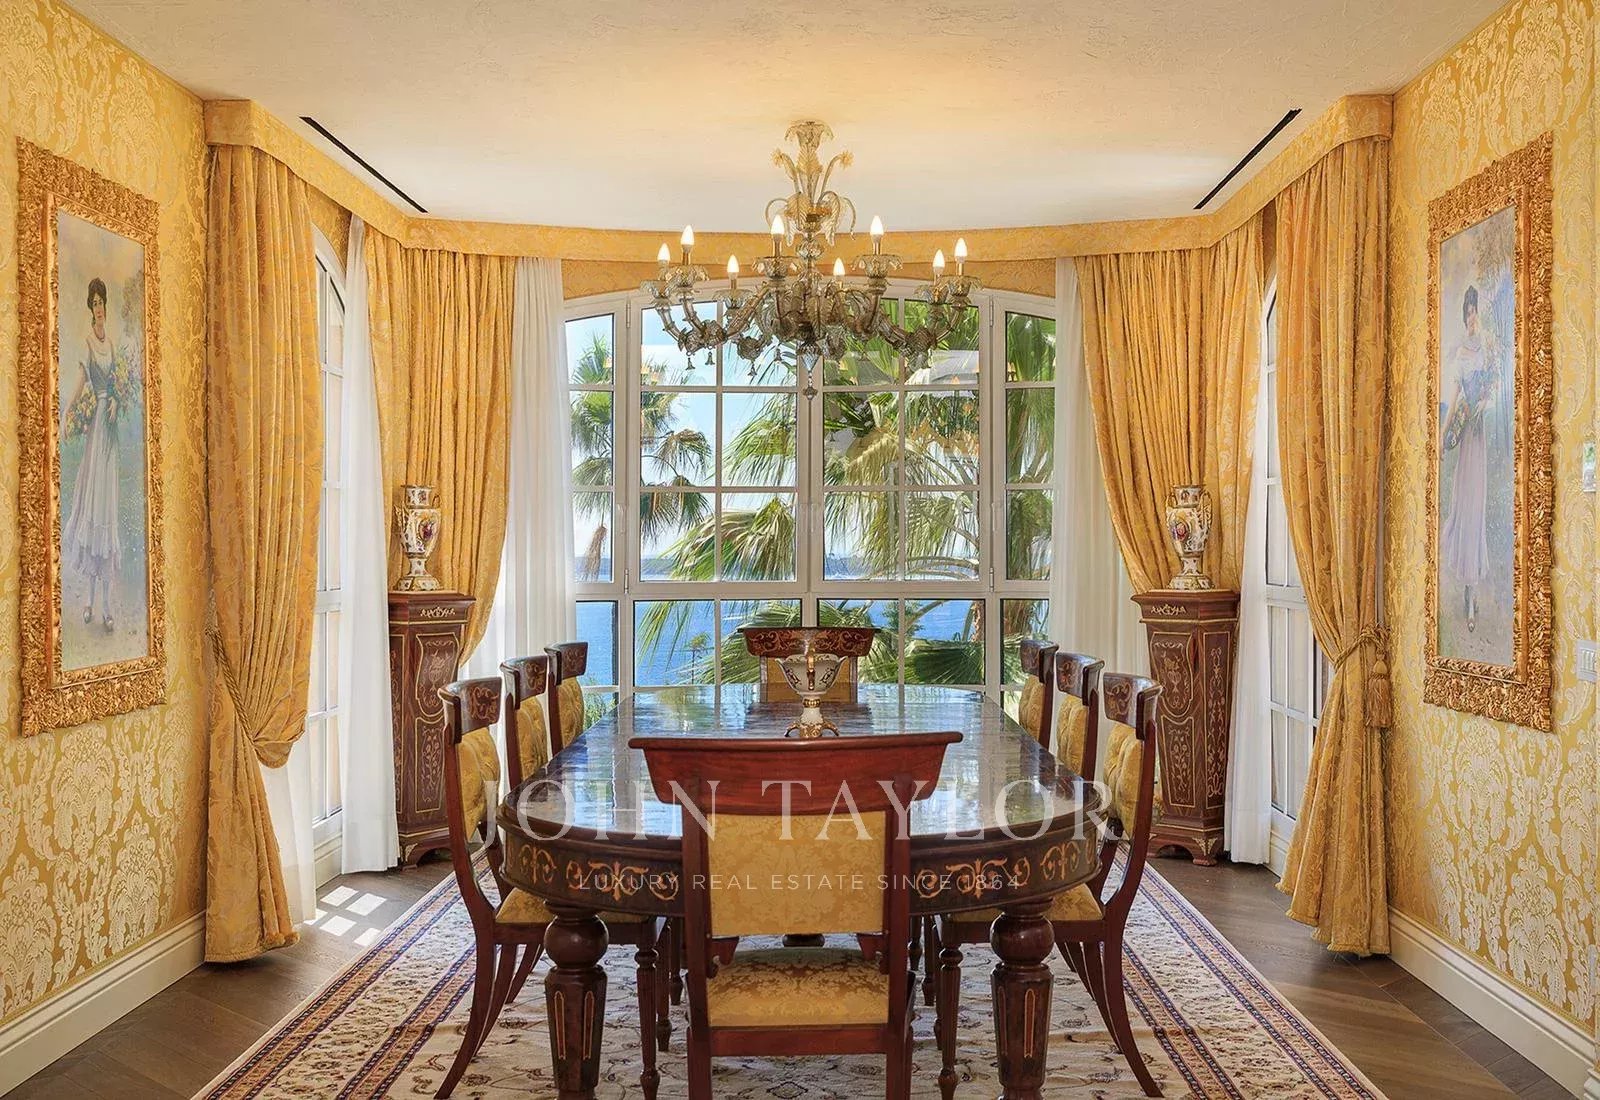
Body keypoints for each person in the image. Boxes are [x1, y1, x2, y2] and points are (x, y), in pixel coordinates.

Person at [59, 276, 121, 633]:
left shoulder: (112, 344)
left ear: (106, 306)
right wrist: (67, 410)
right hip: (97, 429)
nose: (98, 308)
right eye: (94, 303)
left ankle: (107, 604)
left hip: (111, 432)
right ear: (90, 307)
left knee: (107, 507)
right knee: (94, 505)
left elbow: (117, 386)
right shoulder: (87, 343)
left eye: (101, 302)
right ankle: (88, 600)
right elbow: (83, 383)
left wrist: (115, 400)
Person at [1439, 284, 1495, 634]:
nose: (1472, 316)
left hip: (1480, 437)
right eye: (1468, 311)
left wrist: (1486, 403)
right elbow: (1455, 396)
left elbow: (1493, 387)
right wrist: (1443, 436)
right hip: (1465, 441)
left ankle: (1472, 597)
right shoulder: (1461, 353)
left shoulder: (1487, 347)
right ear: (1465, 316)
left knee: (1476, 511)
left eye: (1475, 310)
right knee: (1464, 507)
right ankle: (1468, 593)